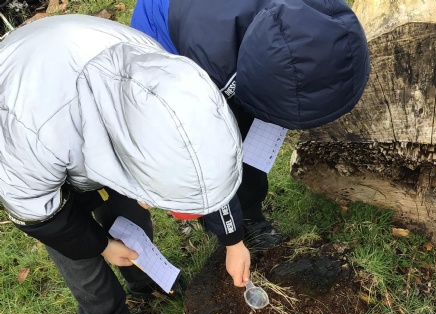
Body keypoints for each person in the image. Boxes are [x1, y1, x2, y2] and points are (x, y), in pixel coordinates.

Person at [0, 14, 250, 314]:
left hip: (87, 104)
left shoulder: (164, 85)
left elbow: (204, 167)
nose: (150, 205)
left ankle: (146, 281)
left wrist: (234, 240)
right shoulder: (33, 135)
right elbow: (41, 217)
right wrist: (101, 246)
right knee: (79, 256)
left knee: (129, 218)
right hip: (33, 123)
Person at [131, 0, 370, 250]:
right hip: (167, 37)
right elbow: (206, 158)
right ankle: (229, 220)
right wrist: (232, 241)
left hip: (228, 28)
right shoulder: (204, 75)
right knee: (230, 138)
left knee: (250, 130)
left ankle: (248, 210)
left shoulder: (315, 13)